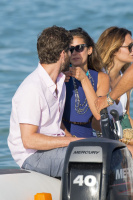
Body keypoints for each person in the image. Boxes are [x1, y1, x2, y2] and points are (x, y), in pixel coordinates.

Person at [8, 26, 83, 178]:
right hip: (32, 156)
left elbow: (55, 124)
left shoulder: (60, 81)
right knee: (92, 159)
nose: (72, 54)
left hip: (52, 150)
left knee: (98, 150)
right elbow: (29, 140)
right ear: (63, 54)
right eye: (70, 50)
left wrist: (74, 141)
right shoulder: (32, 88)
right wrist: (70, 142)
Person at [62, 27, 109, 138]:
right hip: (62, 135)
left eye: (79, 48)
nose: (74, 53)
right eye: (70, 49)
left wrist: (84, 79)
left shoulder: (102, 78)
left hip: (88, 136)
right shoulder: (61, 76)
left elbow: (98, 115)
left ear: (89, 50)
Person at [96, 26, 133, 129]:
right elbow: (96, 121)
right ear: (114, 49)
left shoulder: (126, 78)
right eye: (129, 46)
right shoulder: (99, 76)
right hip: (104, 137)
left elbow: (127, 116)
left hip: (121, 135)